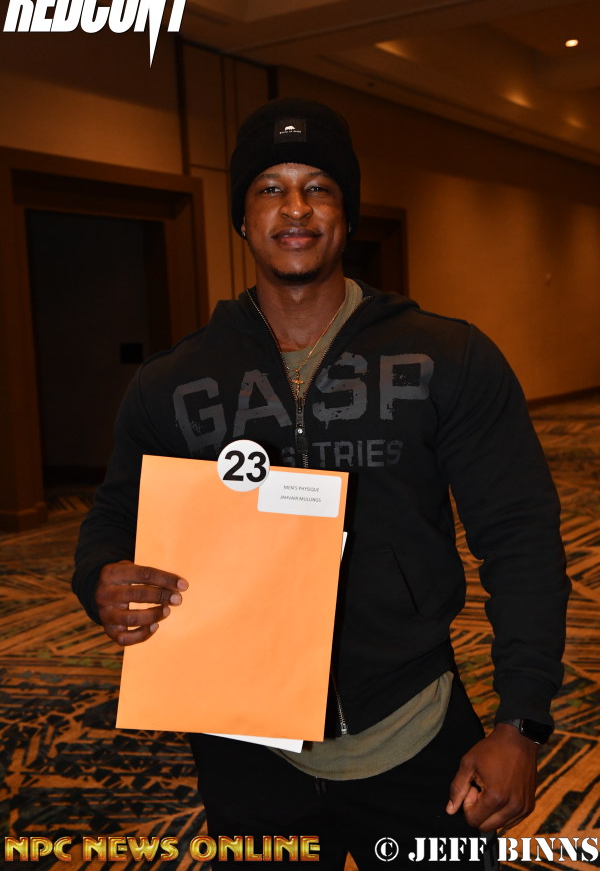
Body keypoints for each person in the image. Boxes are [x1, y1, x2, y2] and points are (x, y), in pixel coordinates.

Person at [73, 98, 570, 868]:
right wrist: (99, 577)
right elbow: (114, 515)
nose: (296, 208)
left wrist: (522, 724)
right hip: (243, 745)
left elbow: (521, 539)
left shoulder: (445, 358)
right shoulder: (173, 382)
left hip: (412, 726)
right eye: (270, 188)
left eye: (319, 188)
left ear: (347, 213)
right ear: (243, 219)